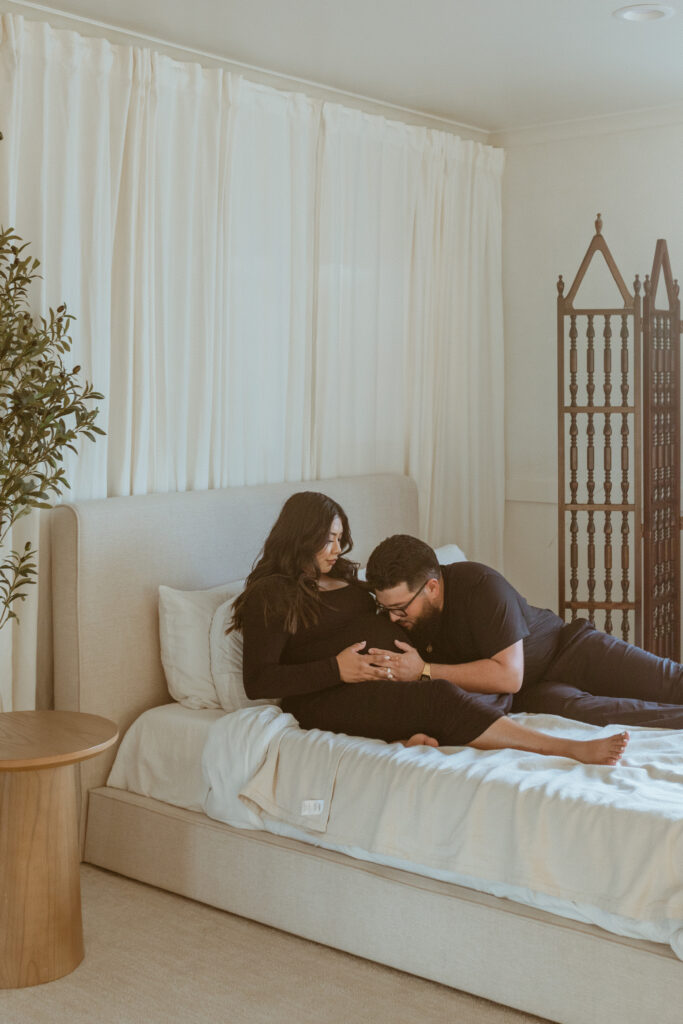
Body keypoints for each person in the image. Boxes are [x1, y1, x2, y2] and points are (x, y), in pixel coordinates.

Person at [231, 492, 629, 765]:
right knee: (440, 695)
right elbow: (259, 680)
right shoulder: (271, 594)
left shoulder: (346, 576)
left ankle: (409, 736)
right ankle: (566, 749)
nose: (338, 550)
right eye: (329, 540)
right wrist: (336, 669)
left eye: (339, 539)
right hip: (326, 696)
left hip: (383, 681)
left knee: (460, 689)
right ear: (302, 537)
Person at [364, 534, 683, 729]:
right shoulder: (405, 619)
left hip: (567, 650)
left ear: (432, 587)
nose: (393, 618)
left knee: (670, 683)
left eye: (400, 607)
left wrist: (424, 671)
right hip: (530, 694)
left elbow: (508, 675)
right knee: (635, 716)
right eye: (385, 608)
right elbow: (513, 686)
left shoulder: (480, 586)